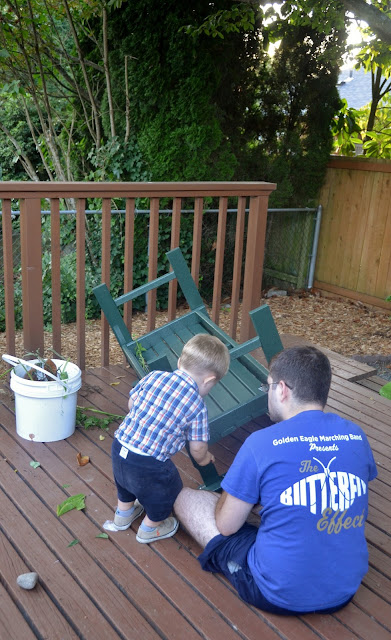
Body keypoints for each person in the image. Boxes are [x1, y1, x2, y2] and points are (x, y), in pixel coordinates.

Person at [174, 345, 378, 614]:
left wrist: (235, 496)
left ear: (282, 389)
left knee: (188, 498)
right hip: (344, 589)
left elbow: (226, 526)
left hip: (275, 593)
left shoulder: (261, 443)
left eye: (267, 386)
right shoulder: (356, 435)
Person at [111, 333, 230, 543]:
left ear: (179, 362)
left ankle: (123, 515)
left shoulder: (154, 376)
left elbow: (132, 405)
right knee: (169, 489)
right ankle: (150, 527)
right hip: (148, 463)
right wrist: (205, 459)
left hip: (120, 446)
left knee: (124, 481)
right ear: (209, 380)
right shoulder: (197, 406)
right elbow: (197, 449)